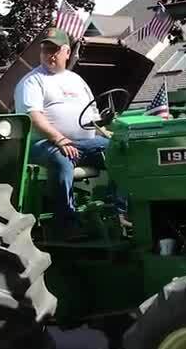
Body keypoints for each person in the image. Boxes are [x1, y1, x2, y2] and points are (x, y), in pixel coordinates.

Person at [14, 27, 115, 235]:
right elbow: (34, 118)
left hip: (83, 144)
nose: (49, 55)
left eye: (54, 50)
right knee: (62, 158)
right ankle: (67, 223)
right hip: (43, 144)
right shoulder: (32, 81)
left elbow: (93, 116)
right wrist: (60, 139)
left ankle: (118, 212)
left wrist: (106, 133)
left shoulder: (77, 81)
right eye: (45, 50)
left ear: (67, 52)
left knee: (122, 151)